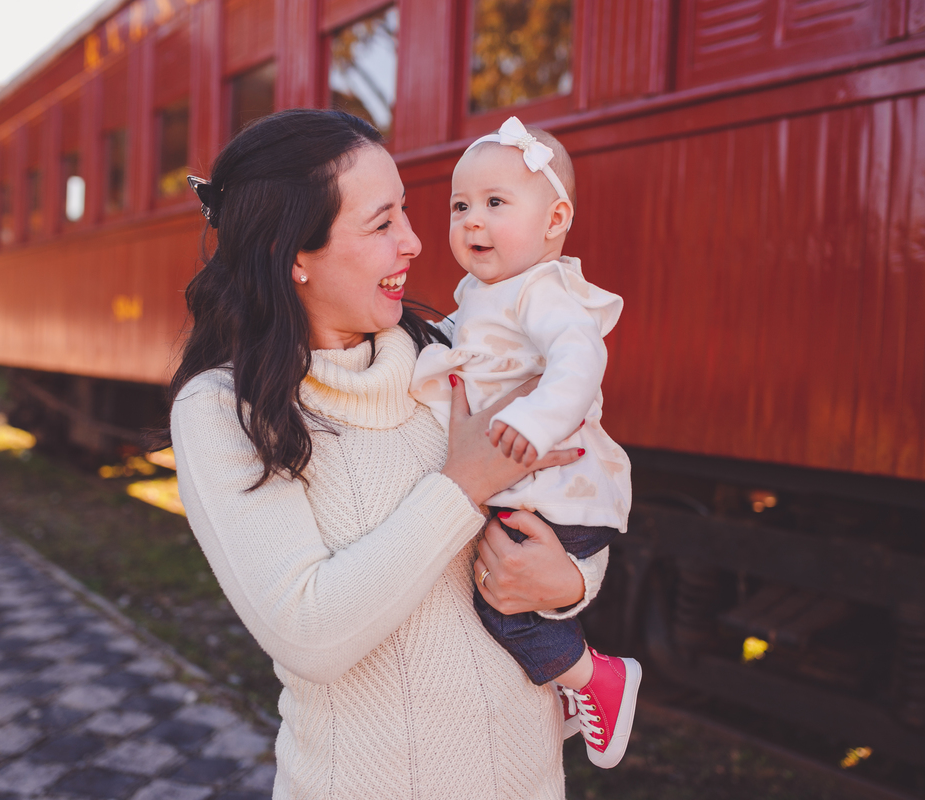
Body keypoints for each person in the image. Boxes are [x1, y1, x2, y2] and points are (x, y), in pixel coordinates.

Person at [167, 108, 610, 799]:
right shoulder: (224, 410)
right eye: (381, 224)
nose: (414, 242)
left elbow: (574, 492)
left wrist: (572, 583)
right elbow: (308, 634)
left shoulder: (451, 356)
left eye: (405, 211)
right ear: (293, 255)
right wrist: (460, 488)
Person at [410, 117, 641, 769]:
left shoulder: (543, 291)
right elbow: (464, 340)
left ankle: (597, 679)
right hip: (526, 486)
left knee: (503, 606)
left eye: (494, 203)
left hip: (557, 490)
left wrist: (539, 421)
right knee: (501, 593)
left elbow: (580, 358)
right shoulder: (482, 291)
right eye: (460, 206)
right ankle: (566, 681)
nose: (472, 221)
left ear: (554, 220)